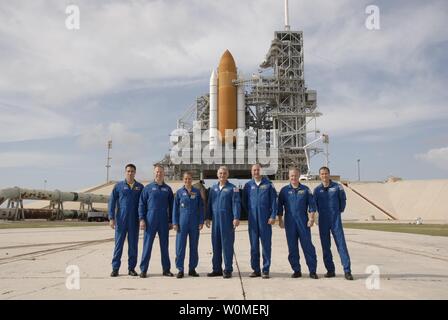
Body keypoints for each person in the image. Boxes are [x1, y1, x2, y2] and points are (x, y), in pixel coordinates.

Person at [277, 168, 319, 279]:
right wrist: (280, 220)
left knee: (308, 246)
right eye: (291, 176)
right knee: (292, 247)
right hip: (290, 223)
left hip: (303, 222)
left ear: (299, 176)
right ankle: (296, 270)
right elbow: (279, 207)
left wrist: (311, 219)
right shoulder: (284, 191)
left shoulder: (305, 190)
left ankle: (312, 271)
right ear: (289, 177)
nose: (293, 178)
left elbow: (312, 205)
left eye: (295, 175)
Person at [314, 166, 353, 280]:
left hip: (335, 220)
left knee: (341, 245)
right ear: (319, 176)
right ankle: (330, 270)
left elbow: (343, 201)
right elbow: (314, 205)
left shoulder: (337, 187)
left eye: (326, 173)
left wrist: (338, 211)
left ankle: (347, 270)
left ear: (329, 174)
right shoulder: (317, 190)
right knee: (325, 246)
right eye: (322, 174)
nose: (324, 176)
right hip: (323, 221)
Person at [108, 164, 144, 277]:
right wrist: (111, 218)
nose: (130, 173)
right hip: (121, 220)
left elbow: (143, 204)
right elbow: (112, 202)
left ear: (135, 173)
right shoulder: (118, 186)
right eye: (128, 171)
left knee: (133, 246)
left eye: (132, 171)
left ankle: (131, 268)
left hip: (134, 221)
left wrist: (142, 218)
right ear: (125, 172)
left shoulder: (140, 187)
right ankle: (115, 268)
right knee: (118, 245)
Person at [138, 165, 174, 278]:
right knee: (147, 245)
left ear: (164, 174)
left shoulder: (167, 189)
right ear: (154, 173)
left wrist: (171, 221)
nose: (159, 174)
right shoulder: (147, 188)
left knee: (164, 246)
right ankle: (143, 270)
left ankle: (166, 269)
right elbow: (141, 204)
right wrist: (142, 219)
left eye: (161, 172)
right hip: (150, 220)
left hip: (163, 221)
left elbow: (172, 207)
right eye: (157, 172)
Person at [205, 166, 241, 279]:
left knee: (227, 245)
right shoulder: (213, 189)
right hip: (216, 220)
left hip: (227, 220)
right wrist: (207, 217)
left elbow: (236, 203)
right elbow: (209, 204)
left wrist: (236, 217)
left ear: (228, 175)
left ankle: (228, 269)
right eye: (220, 173)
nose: (222, 175)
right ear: (217, 174)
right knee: (215, 245)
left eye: (224, 173)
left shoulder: (233, 188)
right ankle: (216, 269)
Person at [242, 164, 277, 279]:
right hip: (253, 220)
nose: (256, 172)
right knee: (254, 246)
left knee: (266, 245)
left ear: (261, 171)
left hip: (265, 220)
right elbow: (244, 202)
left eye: (258, 170)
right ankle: (256, 270)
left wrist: (272, 216)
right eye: (254, 170)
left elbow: (273, 202)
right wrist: (250, 214)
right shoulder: (248, 185)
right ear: (251, 172)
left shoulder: (268, 185)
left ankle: (265, 270)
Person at [172, 172, 204, 278]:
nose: (187, 181)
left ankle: (192, 269)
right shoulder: (179, 193)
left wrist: (201, 221)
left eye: (189, 179)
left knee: (194, 246)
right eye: (185, 179)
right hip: (182, 223)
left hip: (194, 223)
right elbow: (175, 209)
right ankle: (180, 269)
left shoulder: (197, 192)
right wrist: (175, 223)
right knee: (180, 247)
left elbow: (201, 207)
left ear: (192, 179)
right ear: (183, 179)